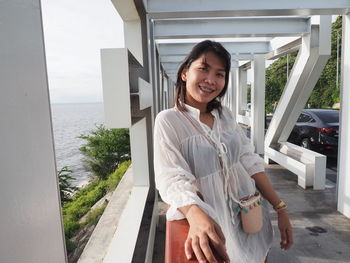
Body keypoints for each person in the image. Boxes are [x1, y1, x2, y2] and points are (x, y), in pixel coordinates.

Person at [154, 40, 293, 263]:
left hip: (249, 215)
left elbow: (249, 162)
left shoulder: (225, 116)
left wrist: (281, 208)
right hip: (215, 222)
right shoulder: (169, 120)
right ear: (184, 73)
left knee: (260, 255)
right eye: (204, 69)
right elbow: (171, 177)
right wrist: (194, 213)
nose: (211, 80)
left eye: (220, 74)